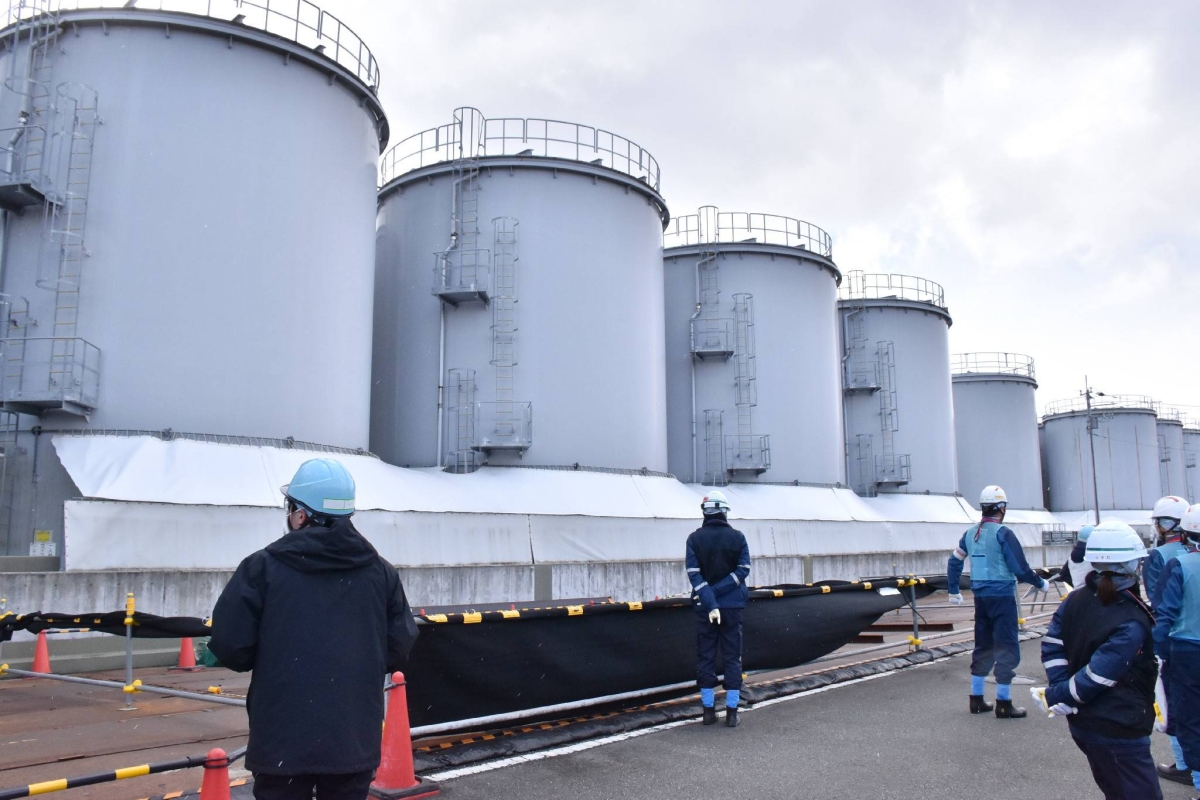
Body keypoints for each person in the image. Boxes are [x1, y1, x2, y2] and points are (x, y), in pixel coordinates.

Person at [210, 458, 419, 800]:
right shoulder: (381, 573)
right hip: (352, 739)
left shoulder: (262, 568)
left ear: (301, 515)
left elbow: (231, 647)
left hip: (281, 740)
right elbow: (399, 646)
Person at [1034, 520, 1160, 800]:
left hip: (1084, 724)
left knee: (1115, 790)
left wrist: (1062, 689)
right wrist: (1057, 694)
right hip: (1118, 727)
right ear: (1130, 565)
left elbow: (1052, 645)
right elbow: (1099, 674)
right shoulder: (1130, 619)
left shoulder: (1075, 599)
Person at [947, 484, 1051, 718]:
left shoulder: (970, 534)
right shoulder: (1004, 534)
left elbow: (954, 561)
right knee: (1006, 646)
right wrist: (1040, 583)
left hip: (980, 598)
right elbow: (1019, 567)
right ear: (1002, 508)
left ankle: (976, 699)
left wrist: (954, 590)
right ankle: (1003, 702)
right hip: (1002, 598)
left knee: (983, 645)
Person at [685, 489, 751, 728]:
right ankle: (732, 712)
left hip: (704, 607)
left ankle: (708, 711)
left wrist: (710, 600)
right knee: (733, 657)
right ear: (725, 511)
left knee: (706, 656)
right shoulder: (738, 538)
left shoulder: (694, 539)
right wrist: (720, 593)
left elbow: (694, 575)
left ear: (704, 511)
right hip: (732, 606)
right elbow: (743, 570)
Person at [1143, 495, 1193, 785]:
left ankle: (1185, 764)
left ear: (1163, 524)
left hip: (1176, 642)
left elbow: (1158, 604)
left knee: (1176, 704)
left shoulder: (1160, 557)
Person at [1153, 503, 1200, 800]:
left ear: (1185, 534)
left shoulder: (1179, 565)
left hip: (1186, 651)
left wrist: (1154, 651)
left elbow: (1165, 613)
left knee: (1190, 718)